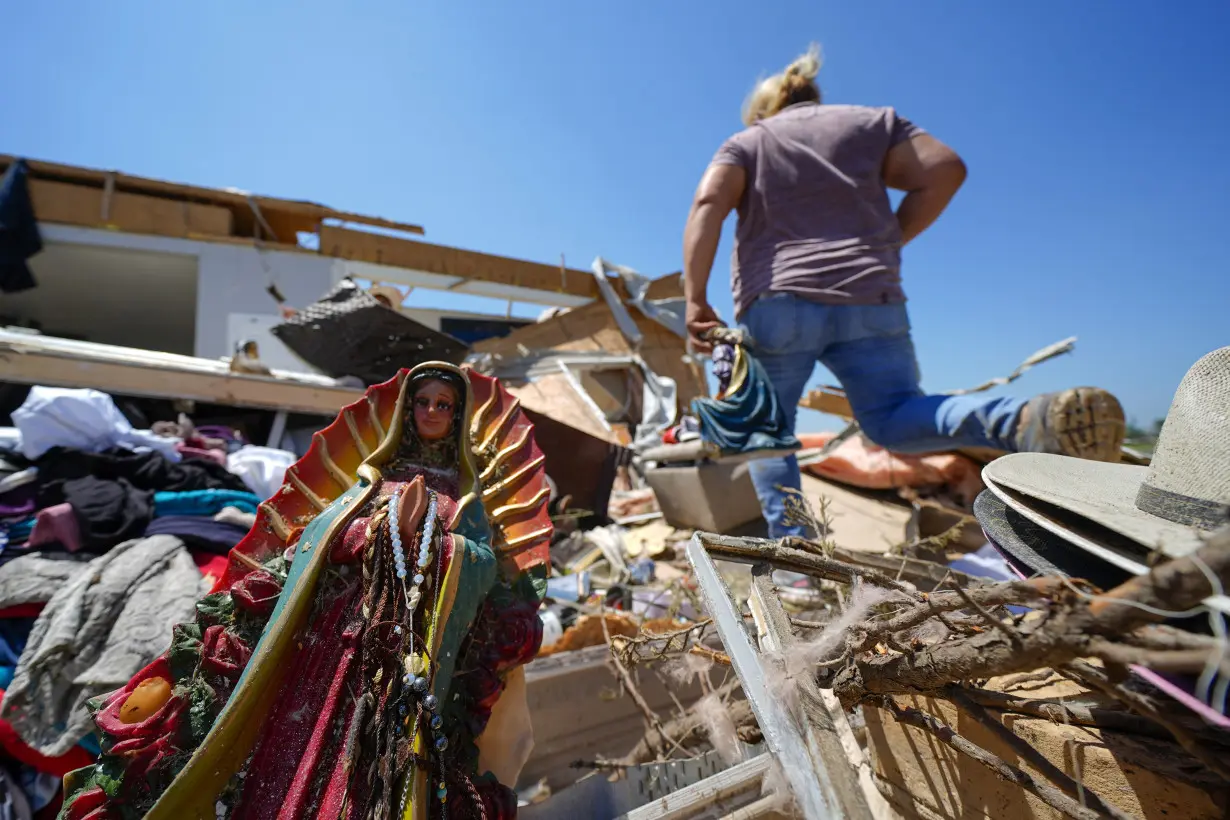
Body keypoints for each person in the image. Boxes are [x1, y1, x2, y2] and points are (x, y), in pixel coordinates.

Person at [682, 45, 1126, 539]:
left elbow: (708, 202)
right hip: (872, 298)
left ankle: (800, 559)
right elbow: (946, 169)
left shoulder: (748, 141)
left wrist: (695, 299)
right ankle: (1022, 418)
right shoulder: (873, 124)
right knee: (894, 417)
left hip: (779, 301)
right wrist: (889, 239)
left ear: (763, 111)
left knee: (768, 435)